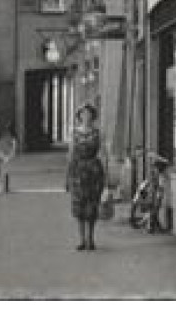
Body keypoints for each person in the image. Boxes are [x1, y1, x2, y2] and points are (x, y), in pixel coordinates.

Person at [64, 104, 107, 252]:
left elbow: (103, 153)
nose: (86, 116)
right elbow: (70, 154)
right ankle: (81, 240)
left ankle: (91, 239)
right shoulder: (74, 133)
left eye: (89, 114)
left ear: (93, 116)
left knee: (92, 207)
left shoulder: (98, 133)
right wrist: (67, 176)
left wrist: (106, 176)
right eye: (83, 114)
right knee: (79, 207)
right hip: (77, 171)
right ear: (79, 116)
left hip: (94, 171)